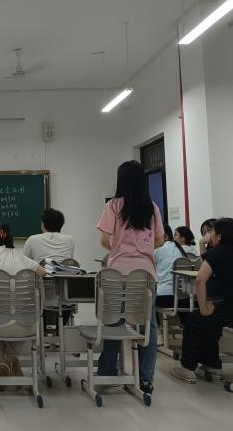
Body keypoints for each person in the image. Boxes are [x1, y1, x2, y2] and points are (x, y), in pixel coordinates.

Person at [96, 160, 164, 394]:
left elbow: (104, 239)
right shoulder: (152, 207)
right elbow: (160, 240)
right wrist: (142, 250)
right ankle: (145, 379)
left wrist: (118, 249)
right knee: (148, 325)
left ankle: (107, 372)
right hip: (146, 274)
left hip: (118, 273)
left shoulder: (114, 206)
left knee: (114, 321)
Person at [0, 224, 46, 387]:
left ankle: (4, 362)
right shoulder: (20, 256)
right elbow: (42, 272)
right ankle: (12, 359)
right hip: (25, 326)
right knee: (21, 323)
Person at [172, 218, 233, 384]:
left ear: (219, 236)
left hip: (229, 308)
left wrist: (204, 308)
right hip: (228, 307)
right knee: (211, 322)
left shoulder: (218, 252)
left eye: (212, 232)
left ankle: (187, 367)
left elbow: (200, 279)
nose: (209, 235)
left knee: (196, 319)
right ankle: (212, 365)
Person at [154, 224, 187, 315]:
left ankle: (154, 324)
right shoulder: (180, 249)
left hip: (163, 297)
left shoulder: (158, 249)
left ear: (165, 237)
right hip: (182, 298)